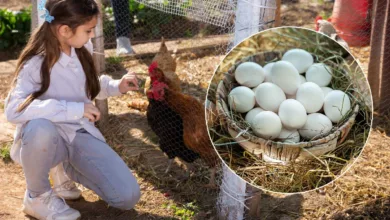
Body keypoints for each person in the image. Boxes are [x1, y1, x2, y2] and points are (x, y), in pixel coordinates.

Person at [4, 0, 141, 219]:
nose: (92, 34)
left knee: (127, 196)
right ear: (65, 30)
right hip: (46, 138)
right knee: (40, 128)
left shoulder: (81, 48)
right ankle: (37, 197)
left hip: (77, 133)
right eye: (88, 30)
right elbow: (13, 110)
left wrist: (116, 86)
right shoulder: (35, 61)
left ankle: (66, 168)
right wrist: (72, 109)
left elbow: (87, 86)